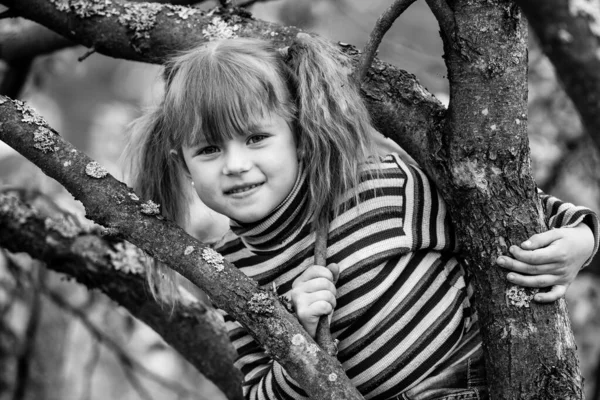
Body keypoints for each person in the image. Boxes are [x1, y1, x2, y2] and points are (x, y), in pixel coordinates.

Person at [125, 36, 599, 400]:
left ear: (299, 135)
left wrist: (579, 239)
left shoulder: (376, 188)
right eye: (208, 149)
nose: (234, 165)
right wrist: (295, 342)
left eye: (255, 139)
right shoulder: (229, 269)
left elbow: (507, 210)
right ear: (181, 163)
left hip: (471, 383)